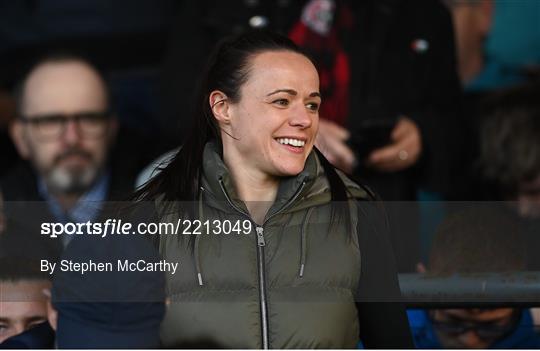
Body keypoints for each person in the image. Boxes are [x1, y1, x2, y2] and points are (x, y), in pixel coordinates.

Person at [136, 30, 412, 348]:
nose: (304, 119)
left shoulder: (355, 211)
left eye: (312, 104)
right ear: (223, 107)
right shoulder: (150, 218)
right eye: (282, 101)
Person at [0, 53, 140, 247]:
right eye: (50, 121)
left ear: (112, 129)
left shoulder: (160, 209)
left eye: (89, 119)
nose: (72, 138)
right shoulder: (6, 210)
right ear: (20, 138)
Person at [408, 206, 540, 348]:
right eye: (453, 322)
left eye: (490, 327)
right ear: (422, 288)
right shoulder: (398, 330)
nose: (470, 342)